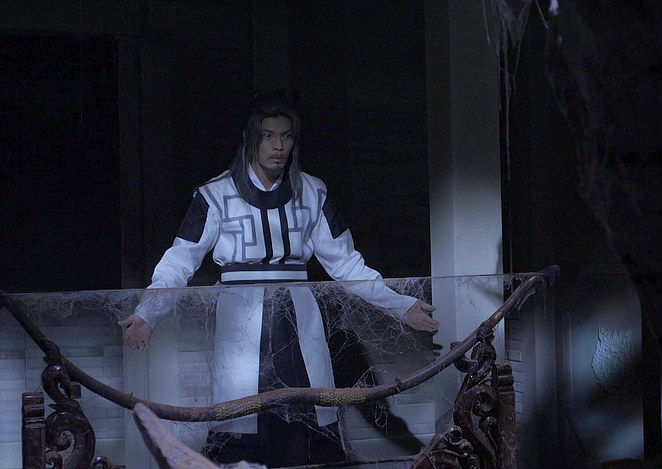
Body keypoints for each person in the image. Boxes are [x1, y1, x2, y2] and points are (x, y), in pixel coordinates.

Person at [118, 91, 439, 466]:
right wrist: (148, 313)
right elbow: (179, 261)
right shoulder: (215, 195)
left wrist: (401, 306)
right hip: (241, 325)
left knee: (311, 427)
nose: (278, 146)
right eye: (268, 136)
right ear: (250, 139)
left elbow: (347, 264)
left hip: (299, 322)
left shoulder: (312, 192)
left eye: (286, 136)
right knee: (241, 423)